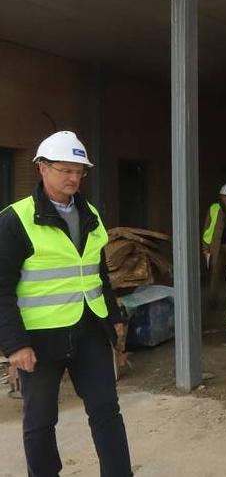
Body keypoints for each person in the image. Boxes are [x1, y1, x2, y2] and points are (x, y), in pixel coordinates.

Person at [0, 131, 132, 477]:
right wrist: (15, 344)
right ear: (42, 168)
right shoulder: (16, 220)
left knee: (106, 410)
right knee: (41, 420)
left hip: (90, 330)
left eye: (79, 171)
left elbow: (97, 271)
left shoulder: (90, 214)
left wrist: (113, 316)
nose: (74, 178)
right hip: (40, 338)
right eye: (65, 170)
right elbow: (1, 289)